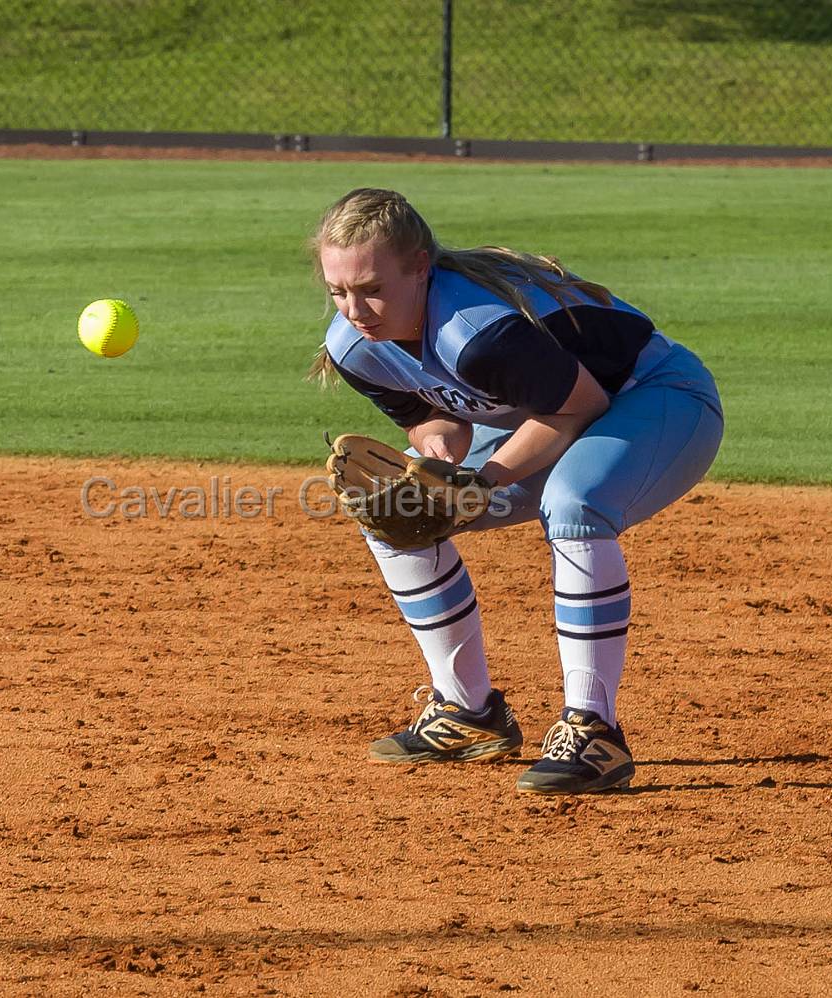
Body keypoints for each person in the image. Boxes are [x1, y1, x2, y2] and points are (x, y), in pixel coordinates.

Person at [309, 188, 723, 795]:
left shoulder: (479, 333)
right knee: (398, 511)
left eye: (372, 287)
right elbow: (434, 415)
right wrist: (442, 464)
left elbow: (581, 406)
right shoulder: (356, 348)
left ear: (421, 266)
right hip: (558, 415)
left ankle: (594, 730)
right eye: (339, 291)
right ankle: (467, 712)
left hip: (657, 398)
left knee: (574, 504)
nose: (355, 308)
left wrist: (486, 479)